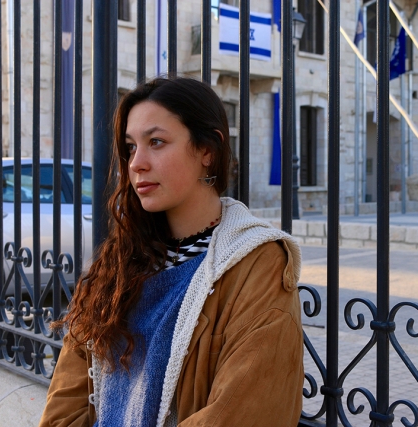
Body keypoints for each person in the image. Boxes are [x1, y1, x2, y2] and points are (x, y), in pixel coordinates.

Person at [39, 77, 304, 427]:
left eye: (157, 142)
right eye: (132, 146)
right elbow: (63, 408)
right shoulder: (119, 262)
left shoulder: (257, 263)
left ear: (207, 151)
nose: (136, 163)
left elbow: (243, 412)